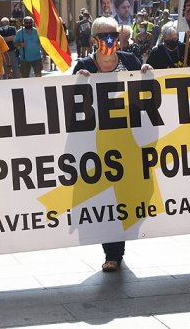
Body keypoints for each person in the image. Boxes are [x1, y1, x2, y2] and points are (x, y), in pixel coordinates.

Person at [72, 17, 151, 273]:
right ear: (94, 40)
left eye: (114, 35)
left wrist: (146, 76)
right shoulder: (84, 66)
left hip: (128, 141)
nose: (111, 40)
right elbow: (72, 104)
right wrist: (79, 83)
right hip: (96, 145)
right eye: (105, 36)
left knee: (129, 196)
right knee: (107, 198)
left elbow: (144, 95)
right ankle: (113, 253)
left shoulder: (129, 61)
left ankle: (120, 245)